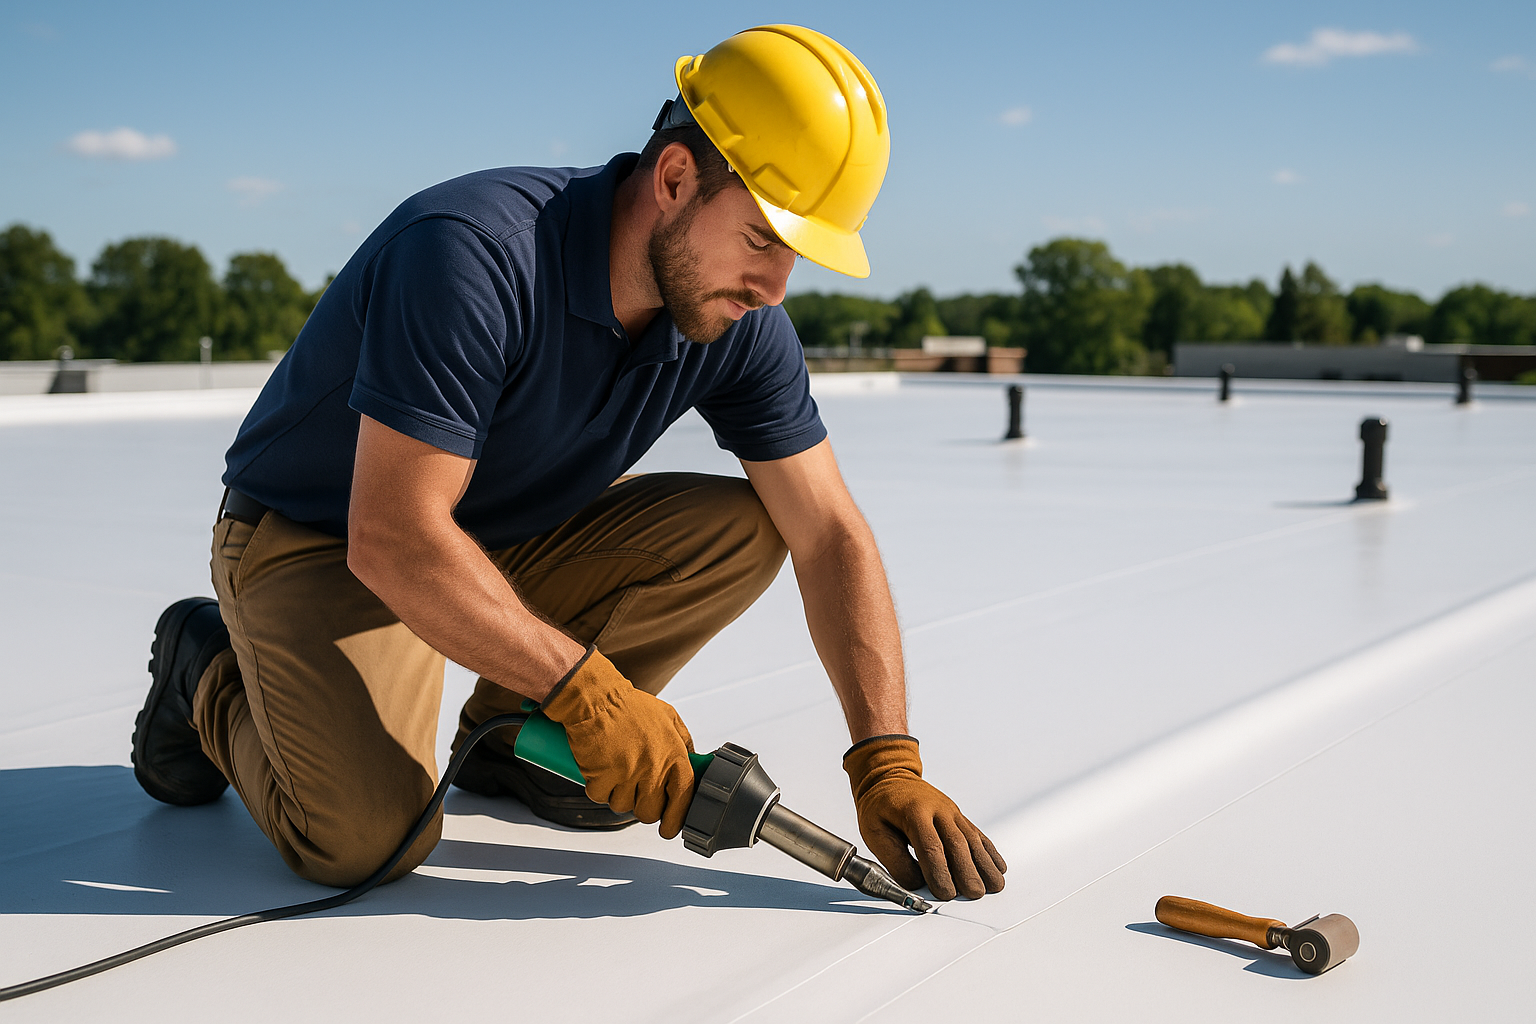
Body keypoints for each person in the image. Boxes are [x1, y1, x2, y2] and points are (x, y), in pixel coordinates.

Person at [131, 24, 1006, 903]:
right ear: (673, 180)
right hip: (329, 540)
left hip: (501, 530)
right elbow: (395, 534)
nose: (775, 287)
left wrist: (884, 757)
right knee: (366, 840)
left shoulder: (736, 323)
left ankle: (518, 741)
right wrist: (590, 694)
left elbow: (829, 536)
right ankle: (200, 662)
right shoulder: (473, 254)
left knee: (748, 527)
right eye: (762, 239)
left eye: (795, 256)